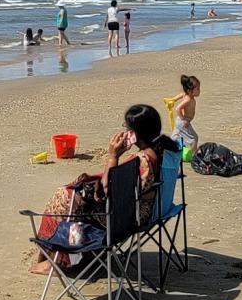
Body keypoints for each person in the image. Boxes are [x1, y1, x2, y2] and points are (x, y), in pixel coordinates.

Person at [29, 105, 179, 274]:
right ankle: (63, 256)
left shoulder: (142, 160)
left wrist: (113, 156)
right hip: (155, 209)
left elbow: (111, 191)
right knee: (74, 196)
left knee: (66, 198)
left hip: (124, 219)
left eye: (127, 128)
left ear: (134, 133)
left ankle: (63, 259)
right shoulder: (165, 148)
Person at [172, 74, 201, 154]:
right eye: (197, 89)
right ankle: (194, 155)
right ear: (189, 91)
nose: (199, 91)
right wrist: (183, 120)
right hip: (183, 121)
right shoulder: (188, 99)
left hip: (179, 121)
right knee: (194, 138)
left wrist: (173, 99)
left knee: (174, 138)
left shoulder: (186, 95)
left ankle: (167, 151)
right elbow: (178, 108)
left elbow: (181, 95)